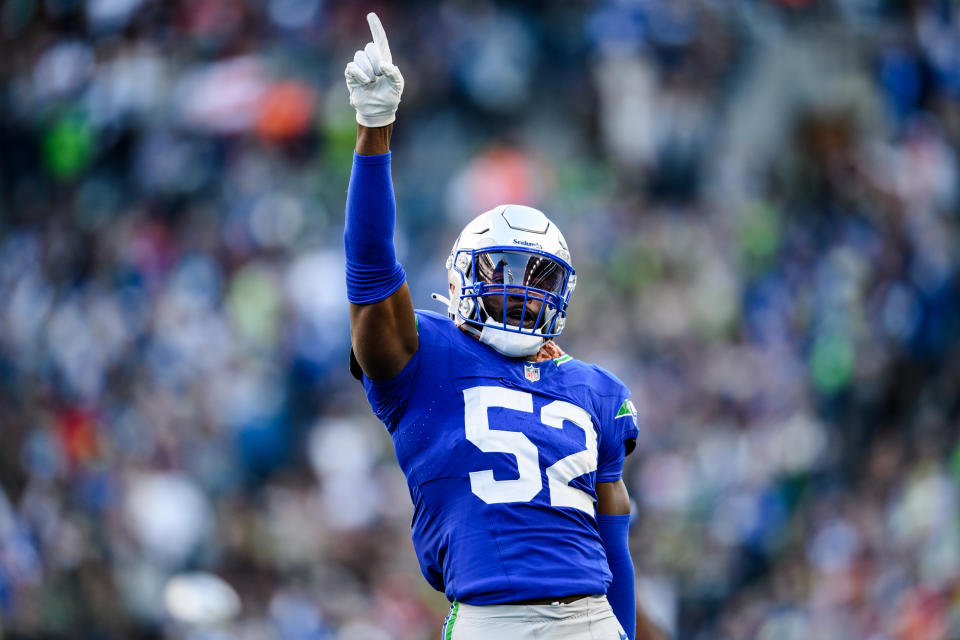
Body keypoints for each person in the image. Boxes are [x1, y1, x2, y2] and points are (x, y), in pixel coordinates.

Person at [344, 13, 654, 640]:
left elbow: (614, 547)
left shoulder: (597, 389)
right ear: (460, 278)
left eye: (538, 278)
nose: (519, 290)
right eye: (504, 270)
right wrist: (373, 131)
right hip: (493, 619)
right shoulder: (426, 356)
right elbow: (372, 271)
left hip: (591, 617)